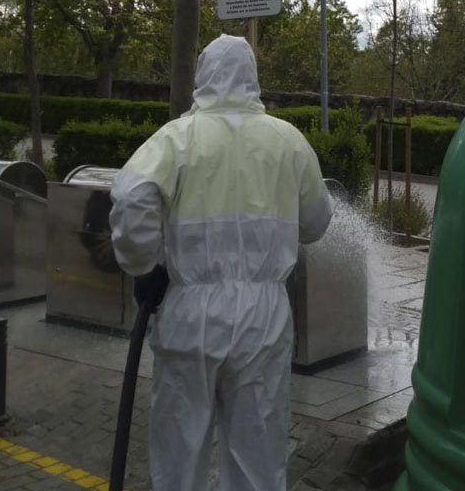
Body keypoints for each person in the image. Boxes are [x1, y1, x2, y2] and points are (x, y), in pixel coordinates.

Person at [108, 34, 334, 491]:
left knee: (180, 450)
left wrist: (144, 264)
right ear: (252, 78)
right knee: (258, 453)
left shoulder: (176, 138)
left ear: (202, 77)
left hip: (189, 310)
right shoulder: (288, 141)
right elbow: (317, 222)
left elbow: (132, 195)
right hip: (264, 317)